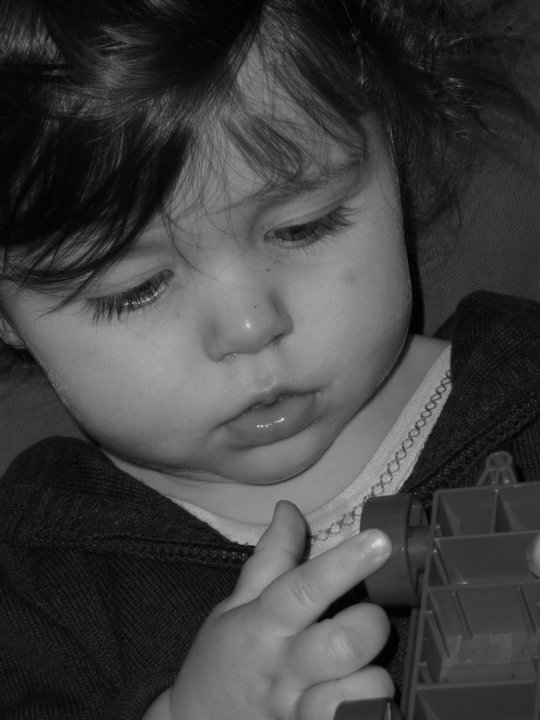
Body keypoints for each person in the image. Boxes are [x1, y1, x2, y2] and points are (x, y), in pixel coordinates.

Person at [0, 1, 539, 719]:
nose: (251, 326)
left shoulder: (525, 386)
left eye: (302, 226)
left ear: (390, 145)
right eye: (135, 290)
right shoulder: (39, 580)